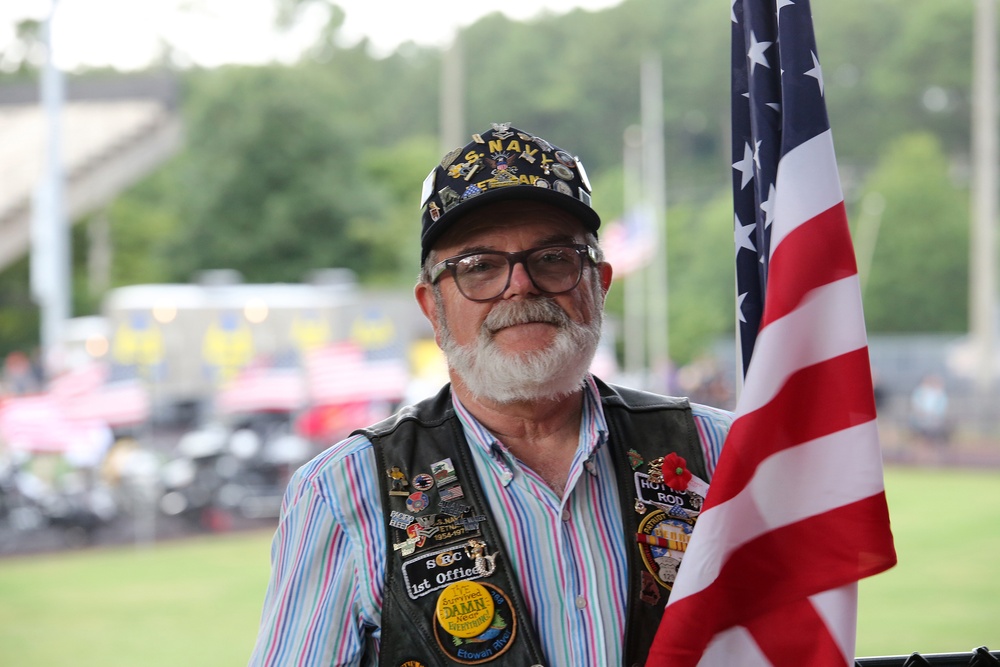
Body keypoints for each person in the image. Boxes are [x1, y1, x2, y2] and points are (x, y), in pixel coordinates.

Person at [249, 123, 733, 667]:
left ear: (599, 283)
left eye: (552, 257)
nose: (520, 285)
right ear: (432, 307)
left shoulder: (723, 452)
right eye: (479, 266)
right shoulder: (341, 493)